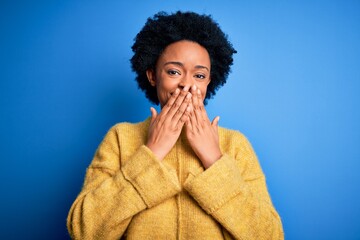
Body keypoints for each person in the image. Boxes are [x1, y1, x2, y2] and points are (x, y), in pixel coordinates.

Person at [67, 11, 284, 239]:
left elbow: (270, 235)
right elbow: (83, 231)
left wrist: (214, 159)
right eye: (174, 72)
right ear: (152, 76)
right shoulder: (120, 139)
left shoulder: (235, 144)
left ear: (210, 81)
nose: (187, 85)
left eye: (199, 76)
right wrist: (152, 152)